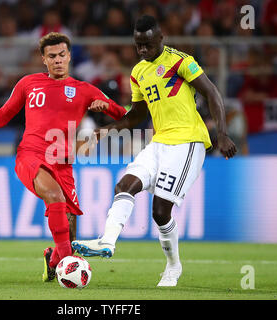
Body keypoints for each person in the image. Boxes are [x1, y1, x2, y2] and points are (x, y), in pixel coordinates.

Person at [72, 16, 237, 287]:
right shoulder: (138, 72)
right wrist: (104, 131)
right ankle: (107, 241)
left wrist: (221, 133)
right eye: (138, 45)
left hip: (188, 143)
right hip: (159, 142)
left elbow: (212, 93)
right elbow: (136, 115)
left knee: (160, 212)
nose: (142, 51)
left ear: (161, 38)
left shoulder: (181, 61)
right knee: (125, 184)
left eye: (147, 45)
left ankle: (173, 267)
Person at [0, 32, 127, 282]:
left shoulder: (85, 90)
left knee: (69, 227)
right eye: (52, 56)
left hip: (64, 162)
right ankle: (69, 262)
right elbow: (3, 116)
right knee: (55, 196)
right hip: (31, 154)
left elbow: (124, 116)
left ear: (69, 56)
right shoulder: (29, 83)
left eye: (62, 55)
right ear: (43, 59)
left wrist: (104, 111)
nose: (57, 60)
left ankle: (54, 259)